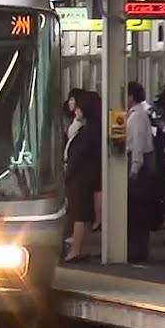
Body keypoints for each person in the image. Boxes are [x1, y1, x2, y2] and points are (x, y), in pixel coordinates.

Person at [63, 92, 102, 262]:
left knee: (79, 214)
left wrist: (67, 175)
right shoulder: (94, 128)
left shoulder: (87, 132)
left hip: (80, 177)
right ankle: (81, 249)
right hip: (88, 176)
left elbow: (77, 156)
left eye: (78, 108)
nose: (76, 111)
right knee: (85, 215)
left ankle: (75, 251)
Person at [125, 82, 155, 262]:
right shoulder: (137, 114)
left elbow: (137, 143)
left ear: (131, 96)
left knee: (137, 210)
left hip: (138, 165)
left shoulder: (137, 117)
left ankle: (137, 250)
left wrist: (135, 167)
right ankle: (137, 248)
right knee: (138, 210)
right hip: (141, 163)